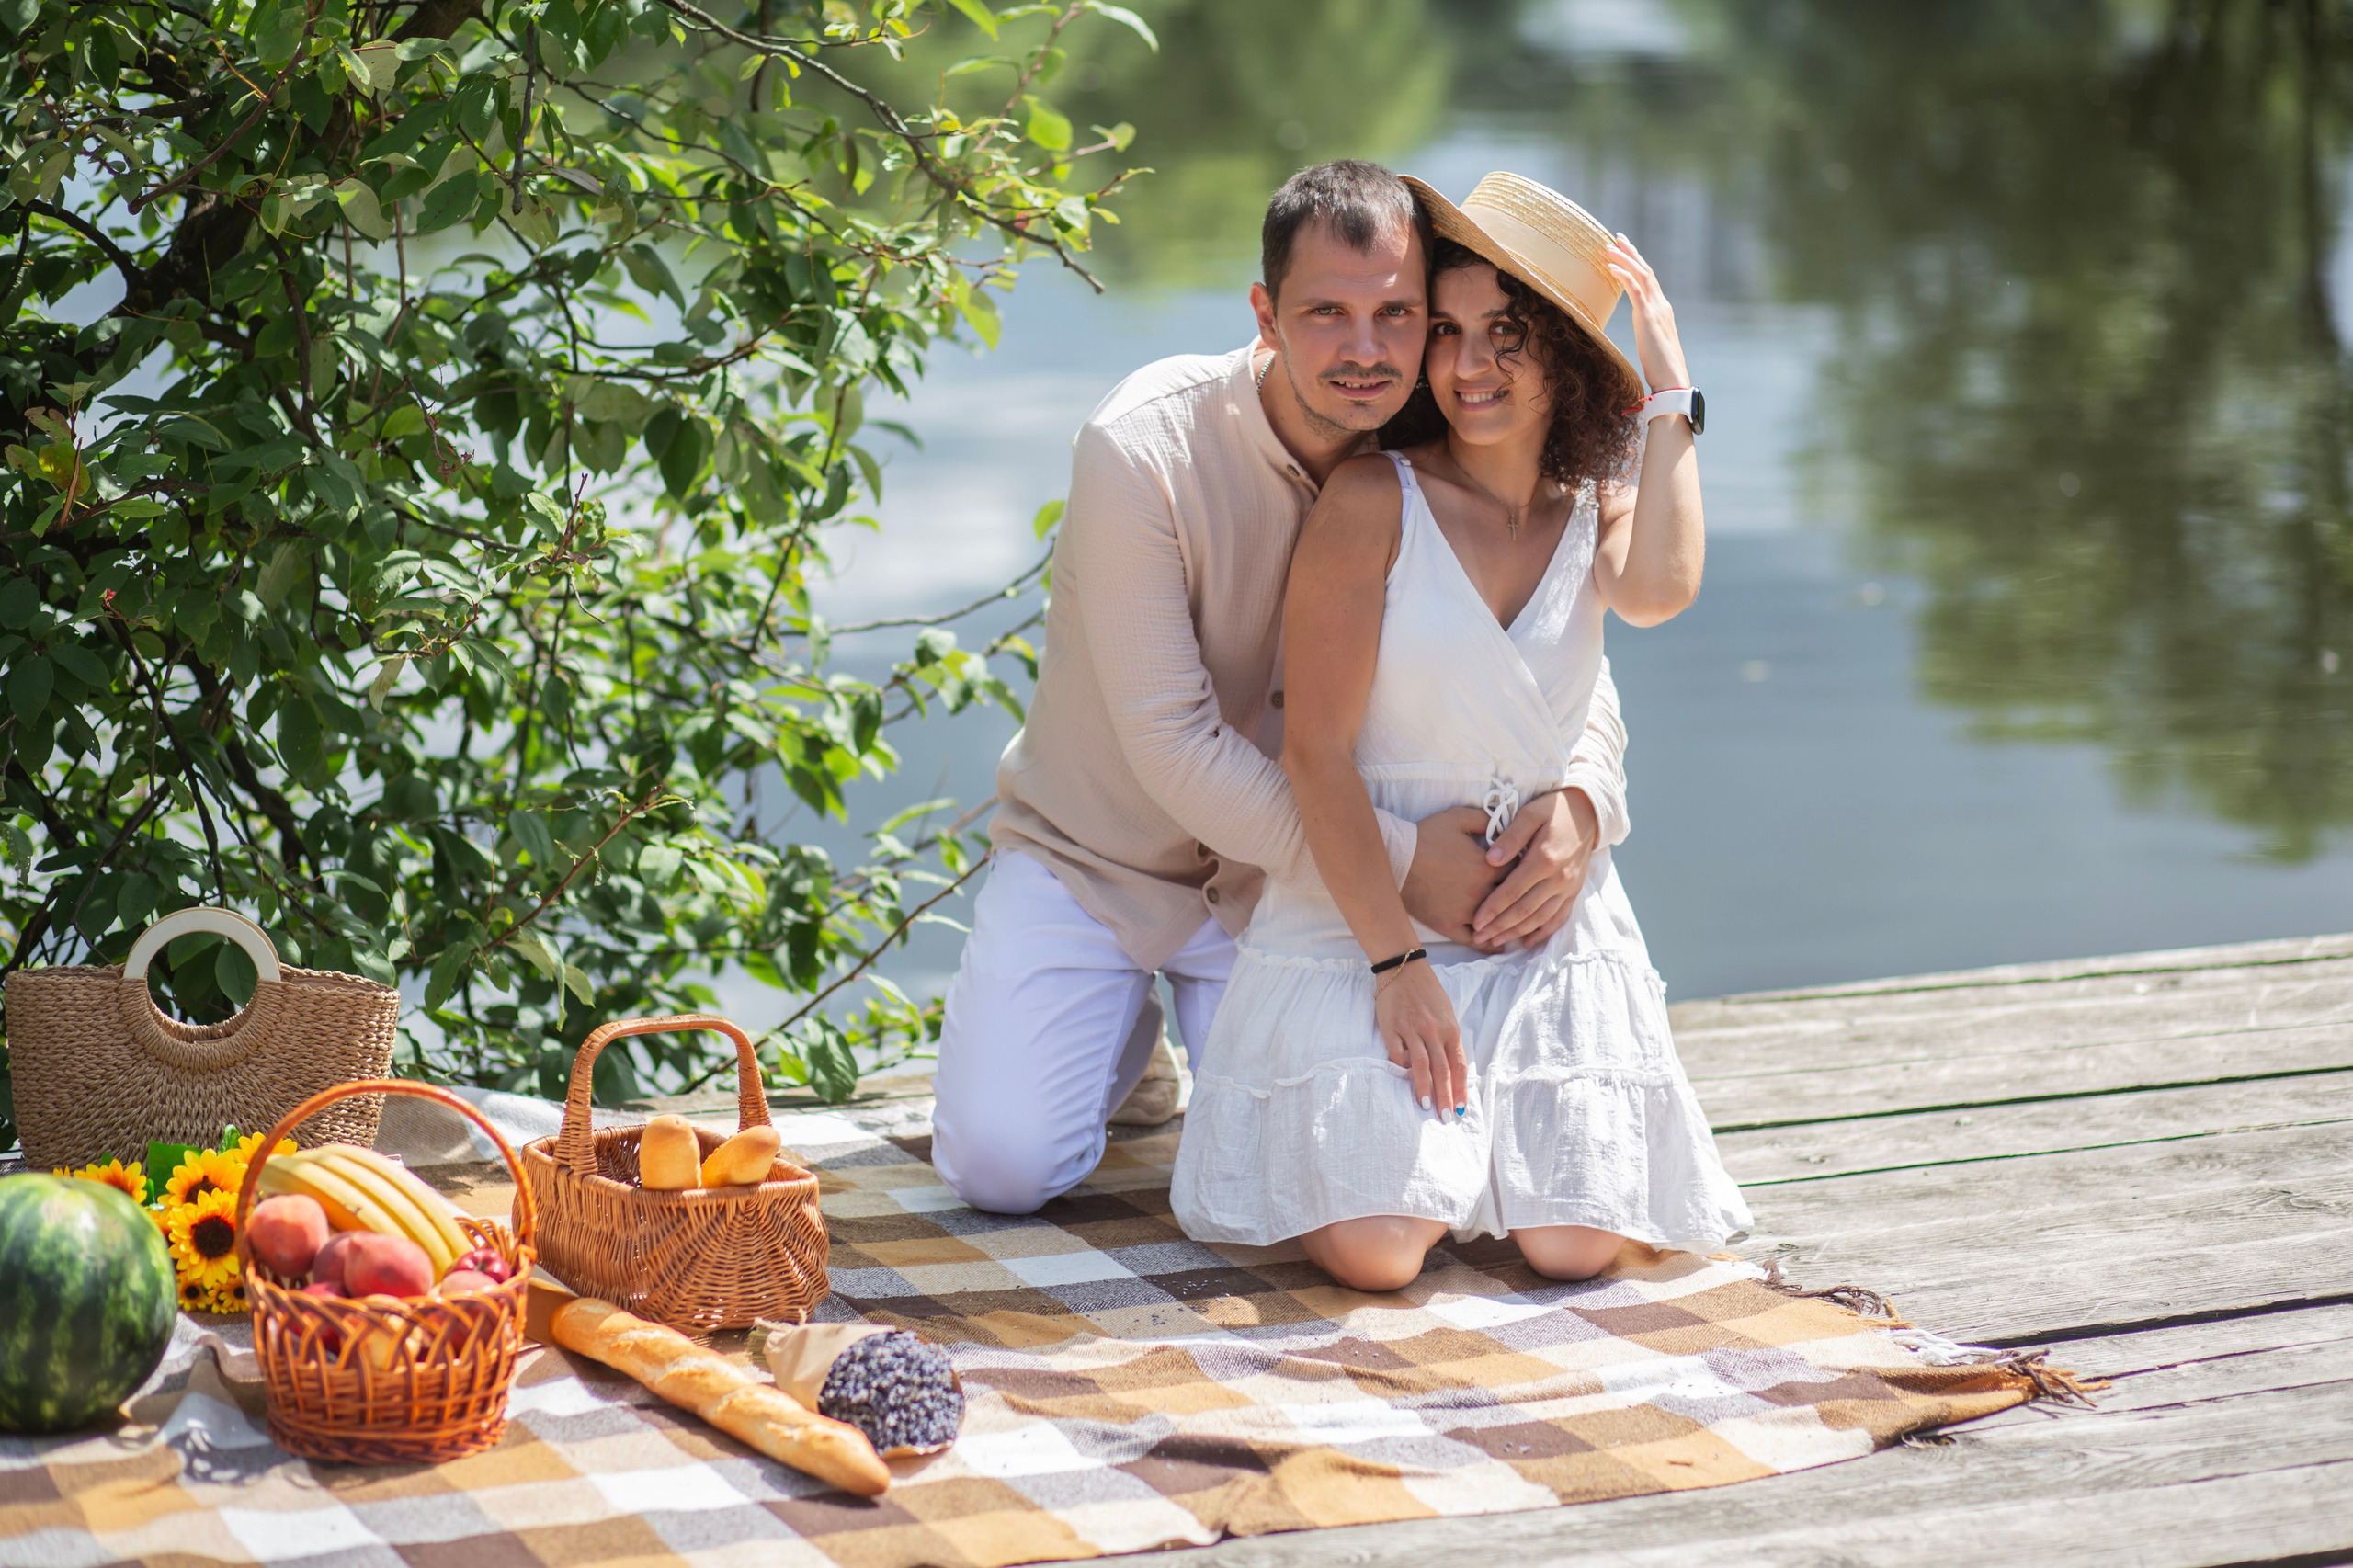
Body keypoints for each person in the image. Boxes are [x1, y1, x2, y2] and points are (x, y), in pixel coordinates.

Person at [929, 163, 1637, 1215]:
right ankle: (1118, 1040)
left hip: (1295, 896)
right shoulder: (1142, 446)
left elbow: (1553, 641)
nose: (1366, 350)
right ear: (1264, 314)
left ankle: (1148, 1039)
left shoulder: (1449, 436)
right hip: (1100, 861)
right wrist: (1401, 866)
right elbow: (1173, 744)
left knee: (1347, 1189)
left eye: (1398, 315)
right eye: (1326, 314)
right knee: (1002, 1169)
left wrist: (1584, 795)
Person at [1171, 173, 1751, 1288]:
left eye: (1508, 334)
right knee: (1382, 1252)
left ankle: (1484, 1156)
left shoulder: (1595, 498)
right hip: (1367, 919)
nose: (1468, 365)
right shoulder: (1372, 500)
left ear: (1571, 359)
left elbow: (1660, 592)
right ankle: (1416, 1156)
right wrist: (1393, 963)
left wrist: (1671, 389)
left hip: (1538, 921)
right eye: (1446, 330)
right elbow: (1314, 754)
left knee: (1576, 1243)